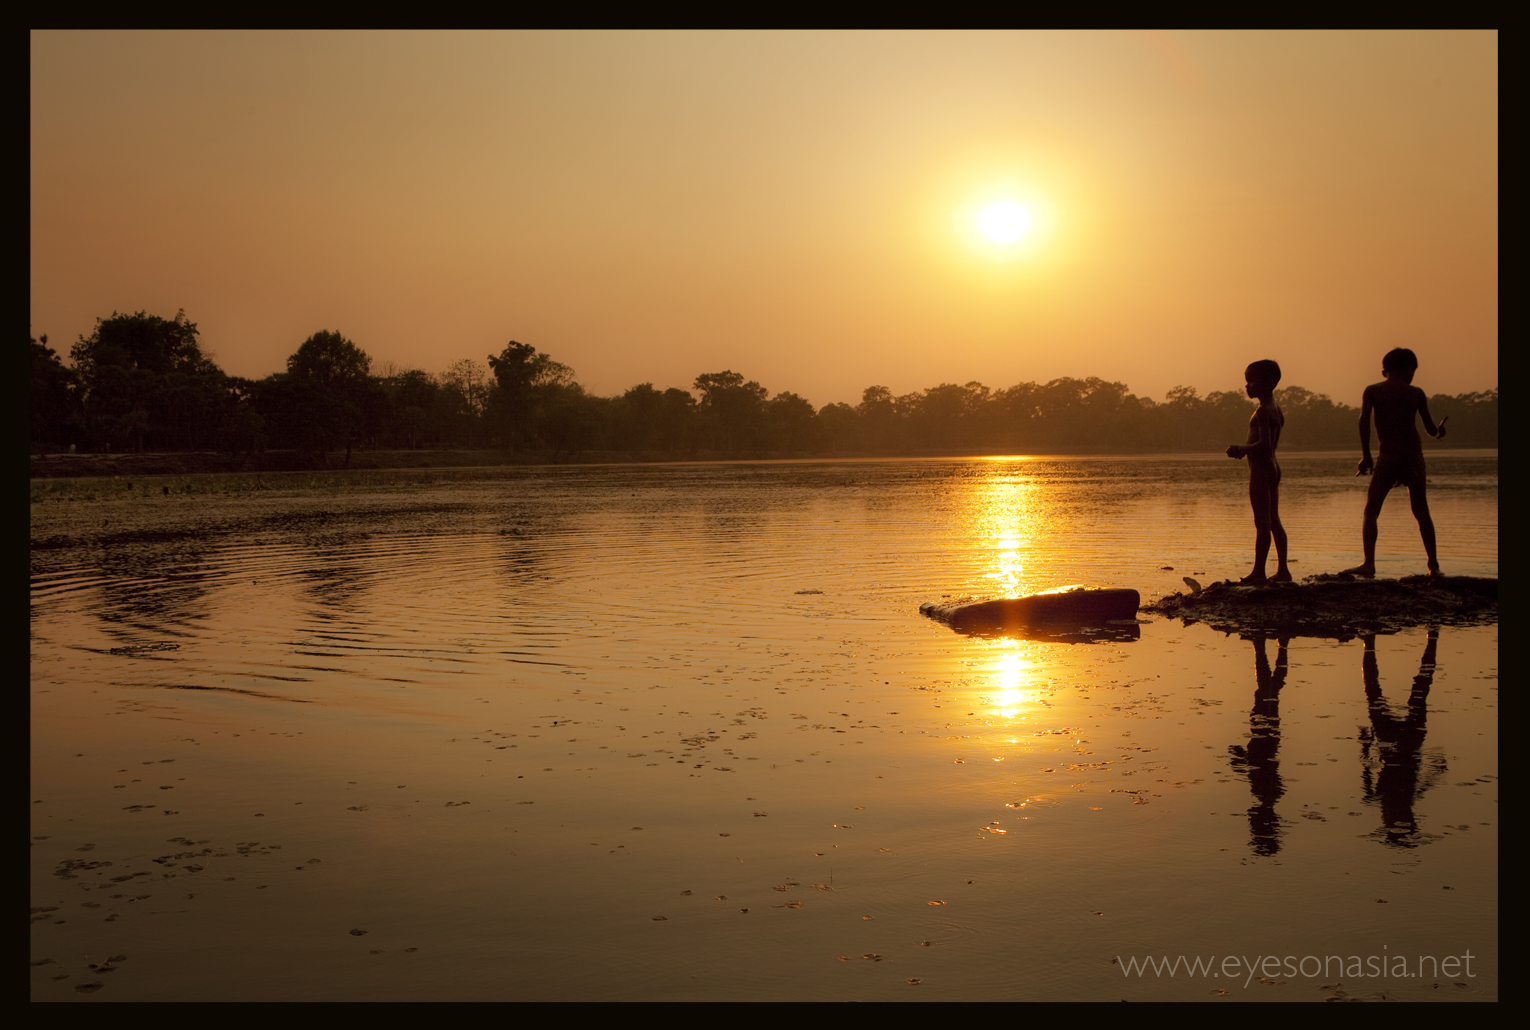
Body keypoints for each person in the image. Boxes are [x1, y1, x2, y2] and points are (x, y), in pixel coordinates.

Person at [1345, 348, 1448, 578]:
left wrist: (1366, 455)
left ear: (1385, 371)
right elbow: (1430, 429)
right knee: (1421, 511)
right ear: (1408, 370)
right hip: (1413, 455)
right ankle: (1433, 565)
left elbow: (1363, 422)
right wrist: (1440, 431)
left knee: (1371, 510)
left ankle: (1369, 563)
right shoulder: (1416, 393)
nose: (1413, 376)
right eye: (1413, 371)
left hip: (1389, 455)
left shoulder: (1373, 391)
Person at [1226, 359, 1291, 584]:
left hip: (1262, 469)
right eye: (1247, 381)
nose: (1248, 386)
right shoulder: (1275, 408)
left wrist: (1242, 449)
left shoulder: (1264, 411)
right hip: (1273, 468)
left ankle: (1259, 572)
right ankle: (1283, 570)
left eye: (1252, 381)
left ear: (1270, 382)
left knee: (1262, 523)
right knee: (1274, 521)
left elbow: (1264, 445)